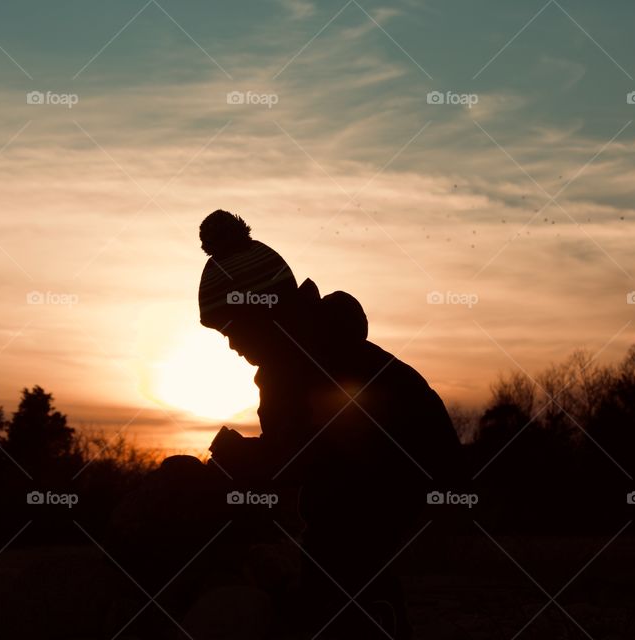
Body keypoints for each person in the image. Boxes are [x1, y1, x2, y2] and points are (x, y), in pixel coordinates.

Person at [198, 209, 464, 638]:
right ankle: (369, 613)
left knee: (337, 555)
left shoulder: (297, 361)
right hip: (400, 462)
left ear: (265, 313)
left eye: (232, 329)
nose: (230, 344)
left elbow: (295, 454)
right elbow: (301, 446)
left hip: (398, 466)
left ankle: (367, 620)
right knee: (339, 555)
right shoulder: (311, 341)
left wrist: (235, 457)